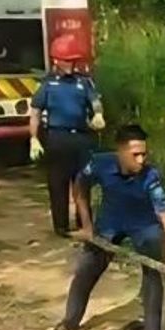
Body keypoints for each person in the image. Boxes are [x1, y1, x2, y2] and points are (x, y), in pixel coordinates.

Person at [46, 124, 165, 330]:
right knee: (86, 271)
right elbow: (80, 186)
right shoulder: (100, 163)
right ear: (120, 151)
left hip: (144, 226)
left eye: (144, 153)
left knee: (153, 276)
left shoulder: (151, 177)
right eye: (135, 154)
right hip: (110, 224)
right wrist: (87, 225)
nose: (141, 159)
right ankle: (70, 322)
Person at [28, 33, 106, 236]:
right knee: (57, 184)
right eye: (67, 60)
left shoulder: (84, 82)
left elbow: (95, 101)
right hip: (57, 138)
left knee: (82, 182)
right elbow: (35, 112)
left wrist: (98, 114)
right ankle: (61, 226)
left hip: (80, 138)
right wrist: (34, 138)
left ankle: (85, 224)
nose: (71, 64)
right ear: (56, 61)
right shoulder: (47, 84)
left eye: (73, 60)